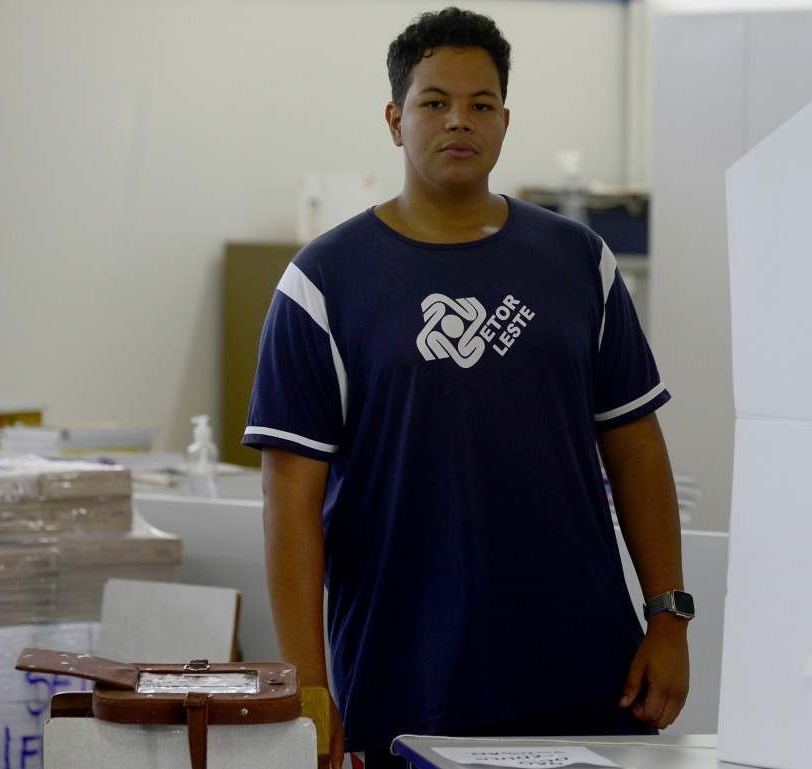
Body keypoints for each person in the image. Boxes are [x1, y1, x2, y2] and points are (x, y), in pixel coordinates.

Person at [243, 7, 691, 768]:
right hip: (407, 676)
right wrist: (310, 689)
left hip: (585, 672)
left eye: (481, 104)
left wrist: (668, 617)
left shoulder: (578, 260)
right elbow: (290, 499)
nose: (459, 121)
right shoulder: (322, 284)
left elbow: (637, 447)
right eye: (434, 103)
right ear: (394, 120)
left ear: (506, 120)